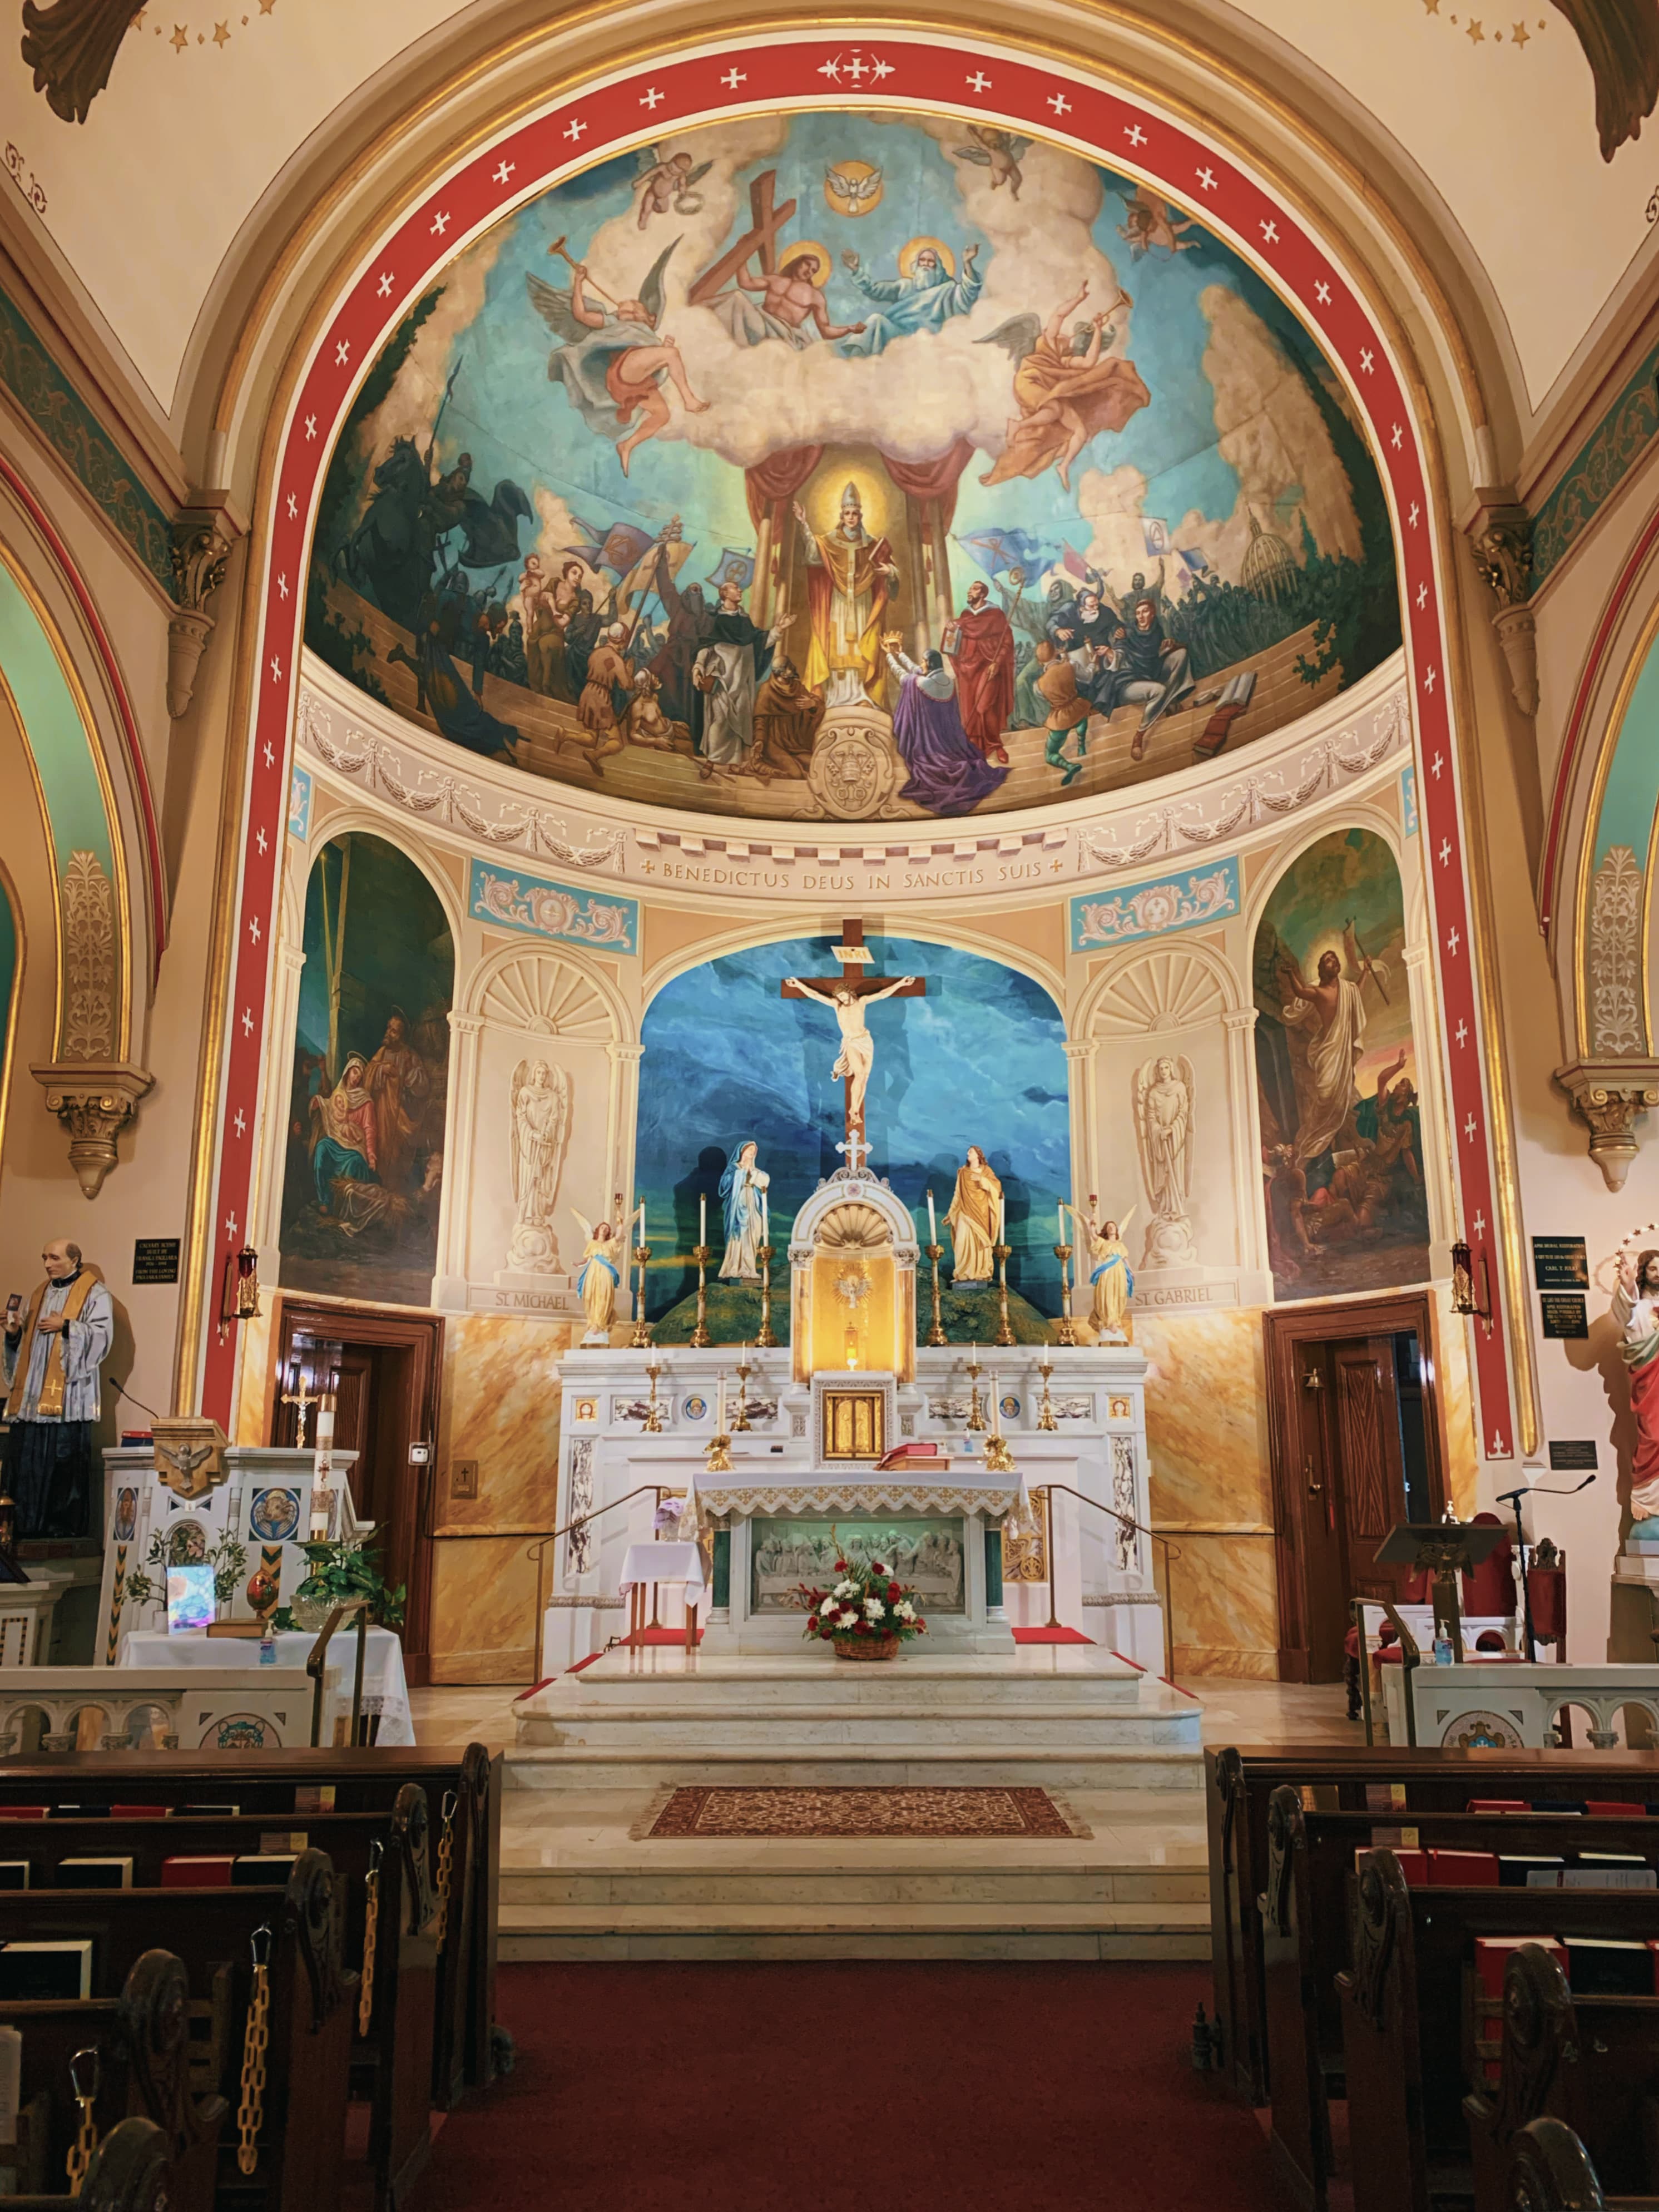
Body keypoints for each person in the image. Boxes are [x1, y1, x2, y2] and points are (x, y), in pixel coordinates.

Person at [2, 1239, 114, 1543]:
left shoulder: (95, 1293)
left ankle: (60, 1529)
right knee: (26, 1462)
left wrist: (68, 1326)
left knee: (62, 1463)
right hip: (33, 1398)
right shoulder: (40, 1292)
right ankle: (23, 1525)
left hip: (67, 1398)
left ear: (75, 1259)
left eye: (54, 1258)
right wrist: (14, 1335)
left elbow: (102, 1336)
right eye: (45, 1258)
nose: (48, 1264)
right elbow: (27, 1345)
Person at [793, 483, 900, 708]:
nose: (851, 517)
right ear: (842, 515)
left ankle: (863, 695)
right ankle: (836, 698)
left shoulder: (871, 543)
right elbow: (814, 555)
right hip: (839, 603)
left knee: (863, 646)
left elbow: (892, 571)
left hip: (863, 605)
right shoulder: (831, 541)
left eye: (855, 513)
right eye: (847, 513)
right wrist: (804, 524)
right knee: (838, 645)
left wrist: (889, 572)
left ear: (860, 516)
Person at [884, 637, 1006, 814]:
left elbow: (902, 676)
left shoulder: (922, 683)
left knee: (927, 766)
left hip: (929, 744)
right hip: (948, 742)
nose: (921, 664)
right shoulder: (949, 681)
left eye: (924, 661)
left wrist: (889, 656)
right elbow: (917, 670)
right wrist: (900, 653)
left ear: (930, 664)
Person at [691, 581, 786, 771]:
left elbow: (760, 643)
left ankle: (734, 762)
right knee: (719, 721)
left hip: (741, 680)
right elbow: (706, 647)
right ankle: (712, 761)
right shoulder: (714, 620)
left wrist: (779, 630)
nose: (740, 590)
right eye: (735, 588)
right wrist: (698, 667)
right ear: (724, 594)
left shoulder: (744, 620)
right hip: (721, 679)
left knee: (740, 721)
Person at [839, 243, 983, 356]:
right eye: (922, 261)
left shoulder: (948, 289)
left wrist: (967, 264)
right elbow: (874, 290)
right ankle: (855, 363)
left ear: (938, 267)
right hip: (898, 334)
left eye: (930, 261)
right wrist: (856, 270)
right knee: (876, 320)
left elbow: (968, 292)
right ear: (917, 265)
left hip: (929, 340)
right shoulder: (905, 286)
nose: (926, 264)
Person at [1111, 586, 1195, 761]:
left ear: (1152, 614)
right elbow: (1119, 651)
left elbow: (1152, 661)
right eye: (1138, 613)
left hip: (1150, 675)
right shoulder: (1128, 633)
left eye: (1145, 612)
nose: (1141, 616)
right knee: (1159, 691)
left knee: (1181, 655)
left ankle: (1171, 701)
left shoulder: (1157, 630)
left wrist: (1165, 651)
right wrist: (1113, 651)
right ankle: (1139, 736)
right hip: (1129, 684)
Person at [951, 579, 1016, 764]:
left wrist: (997, 662)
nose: (970, 592)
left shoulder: (995, 615)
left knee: (985, 706)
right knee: (969, 706)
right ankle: (974, 746)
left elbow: (1007, 642)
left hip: (988, 666)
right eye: (970, 588)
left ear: (983, 594)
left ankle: (995, 744)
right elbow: (954, 640)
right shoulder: (965, 615)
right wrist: (951, 632)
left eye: (974, 589)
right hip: (968, 669)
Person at [1616, 1250, 1659, 1527]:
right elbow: (1625, 1314)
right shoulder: (1639, 1308)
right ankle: (1645, 1496)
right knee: (1654, 1434)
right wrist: (1628, 1286)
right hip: (1652, 1382)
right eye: (1654, 1269)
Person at [309, 1053, 379, 1210]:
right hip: (336, 1140)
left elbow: (369, 1129)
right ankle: (325, 1200)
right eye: (355, 1073)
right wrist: (319, 1103)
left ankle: (343, 1206)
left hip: (354, 1146)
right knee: (321, 1148)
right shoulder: (339, 1093)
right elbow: (331, 1107)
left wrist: (371, 1154)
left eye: (360, 1077)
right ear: (348, 1071)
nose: (356, 1078)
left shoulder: (365, 1100)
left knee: (355, 1163)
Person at [745, 656, 824, 780]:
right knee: (795, 774)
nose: (793, 667)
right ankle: (757, 767)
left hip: (795, 746)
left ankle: (793, 762)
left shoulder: (797, 688)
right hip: (773, 744)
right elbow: (760, 720)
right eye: (789, 666)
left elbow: (818, 704)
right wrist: (760, 740)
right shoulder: (767, 691)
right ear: (782, 673)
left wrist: (812, 704)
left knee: (818, 766)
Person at [1033, 641, 1090, 784]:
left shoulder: (1038, 684)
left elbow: (1042, 697)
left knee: (1050, 754)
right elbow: (1088, 677)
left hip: (1060, 719)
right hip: (1077, 707)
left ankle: (1069, 766)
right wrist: (1094, 664)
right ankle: (1082, 747)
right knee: (1081, 717)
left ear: (1040, 662)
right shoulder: (1070, 665)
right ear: (1056, 653)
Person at [945, 1145, 1002, 1285]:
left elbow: (997, 1189)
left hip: (981, 1213)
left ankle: (981, 1273)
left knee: (980, 1244)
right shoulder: (962, 1173)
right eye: (968, 1152)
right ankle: (963, 1273)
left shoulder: (986, 1171)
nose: (968, 1154)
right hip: (964, 1212)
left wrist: (981, 1180)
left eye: (970, 1152)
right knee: (961, 1243)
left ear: (978, 1155)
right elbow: (957, 1195)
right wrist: (950, 1213)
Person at [577, 621, 633, 758]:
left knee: (591, 738)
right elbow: (627, 685)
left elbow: (604, 668)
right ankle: (594, 756)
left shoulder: (596, 653)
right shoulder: (615, 659)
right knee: (617, 742)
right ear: (623, 639)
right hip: (601, 698)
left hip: (587, 693)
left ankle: (564, 734)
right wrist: (629, 671)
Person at [718, 1140, 771, 1281]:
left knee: (753, 1236)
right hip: (737, 1207)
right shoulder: (733, 1169)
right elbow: (724, 1185)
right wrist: (741, 1175)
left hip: (753, 1206)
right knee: (739, 1236)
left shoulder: (757, 1171)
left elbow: (765, 1181)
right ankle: (734, 1267)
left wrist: (752, 1175)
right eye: (750, 1149)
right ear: (742, 1151)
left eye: (754, 1150)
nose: (752, 1152)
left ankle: (749, 1268)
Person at [1084, 1204, 1135, 1339]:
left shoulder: (1120, 1245)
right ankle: (1109, 1322)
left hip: (1119, 1272)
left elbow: (1125, 1259)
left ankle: (1116, 1320)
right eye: (1109, 1227)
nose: (1112, 1228)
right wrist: (1091, 1225)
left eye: (1113, 1226)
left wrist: (1131, 1271)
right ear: (1107, 1231)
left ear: (1117, 1230)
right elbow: (1094, 1236)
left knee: (1119, 1295)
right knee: (1107, 1295)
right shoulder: (1104, 1243)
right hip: (1108, 1272)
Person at [571, 1210, 624, 1339]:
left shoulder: (610, 1243)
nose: (604, 1229)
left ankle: (601, 1324)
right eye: (602, 1227)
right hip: (593, 1272)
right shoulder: (592, 1243)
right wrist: (579, 1264)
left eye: (607, 1229)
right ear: (598, 1230)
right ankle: (592, 1322)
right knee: (591, 1295)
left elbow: (618, 1237)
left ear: (608, 1232)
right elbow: (587, 1258)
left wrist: (620, 1222)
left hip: (605, 1272)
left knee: (603, 1295)